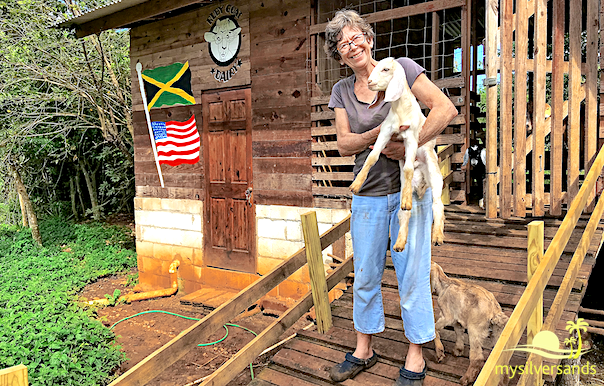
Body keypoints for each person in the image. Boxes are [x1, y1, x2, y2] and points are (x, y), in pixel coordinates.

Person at [323, 9, 458, 386]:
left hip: (408, 191)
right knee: (365, 274)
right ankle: (364, 349)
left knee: (412, 274)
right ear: (339, 55)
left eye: (355, 39)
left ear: (368, 38)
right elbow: (344, 142)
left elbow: (445, 109)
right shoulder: (342, 91)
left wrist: (413, 148)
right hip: (366, 197)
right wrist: (378, 139)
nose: (351, 48)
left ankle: (415, 355)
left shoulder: (400, 68)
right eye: (342, 45)